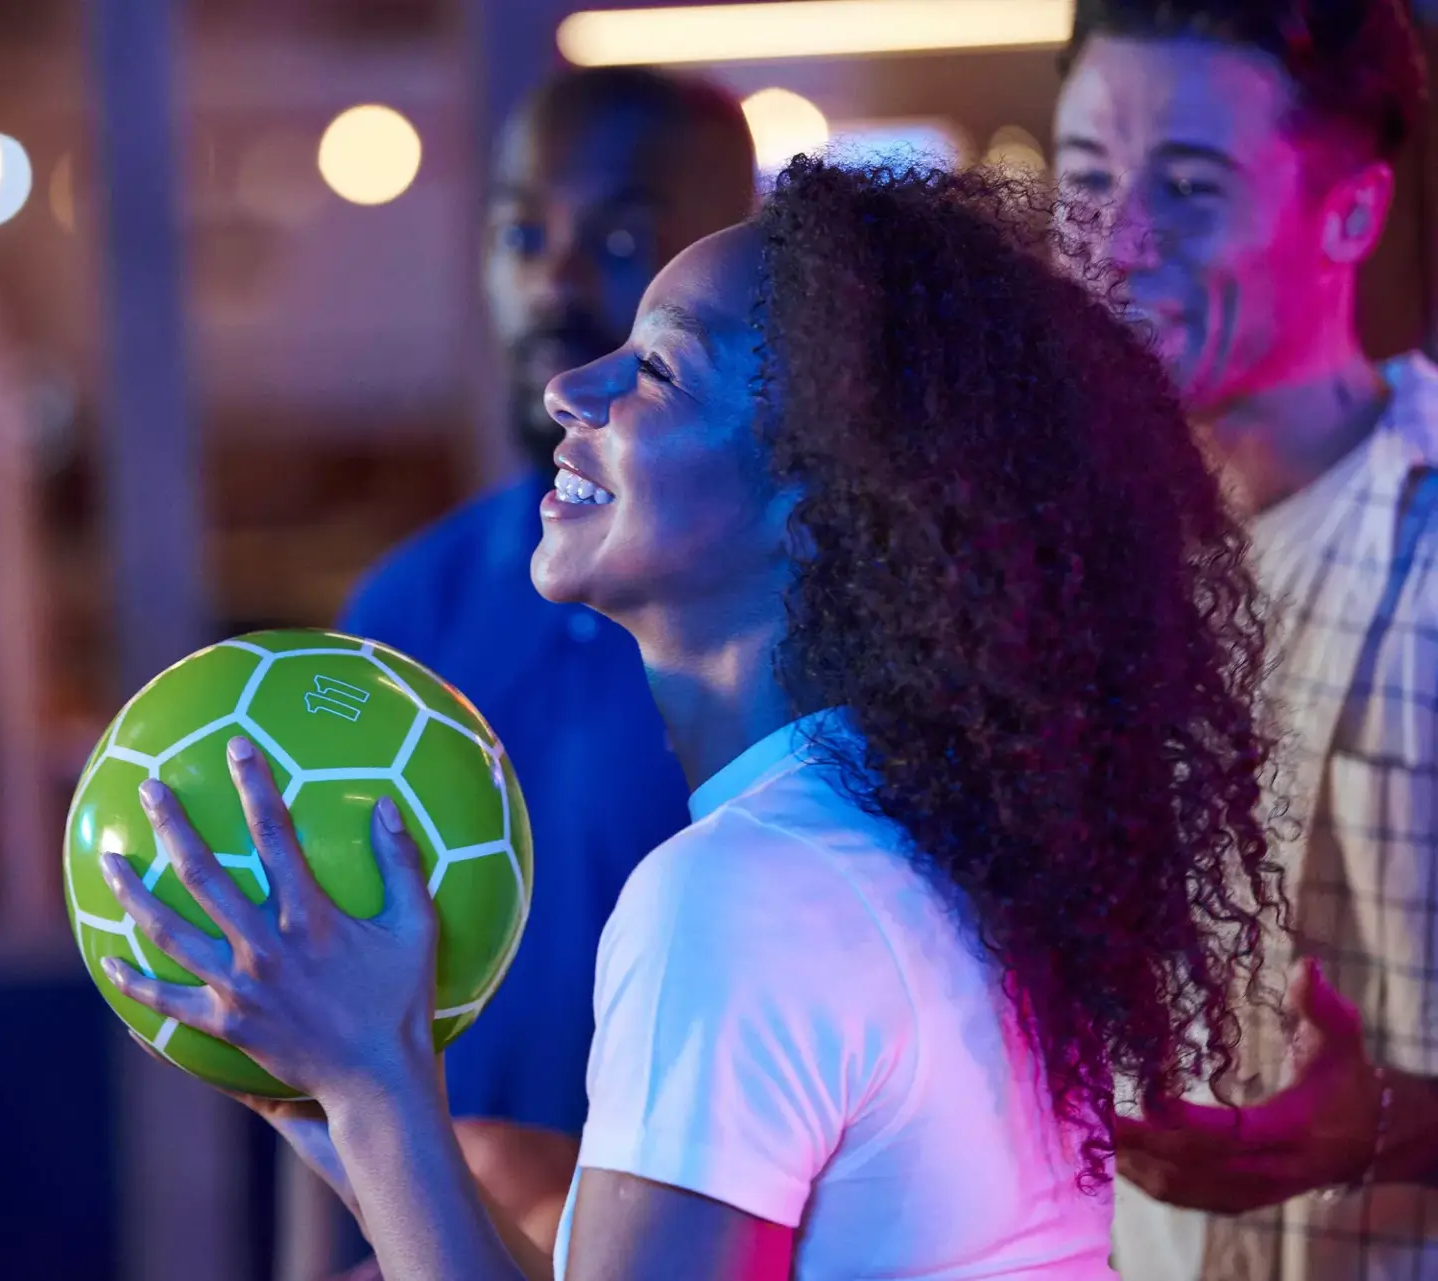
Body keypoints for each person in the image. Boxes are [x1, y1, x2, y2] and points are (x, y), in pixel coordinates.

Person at [98, 158, 1285, 1277]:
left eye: (656, 371)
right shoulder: (910, 845)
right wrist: (349, 1117)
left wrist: (372, 1080)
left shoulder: (744, 896)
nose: (574, 388)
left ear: (817, 514)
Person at [335, 64, 757, 1247]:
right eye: (522, 231)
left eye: (620, 235)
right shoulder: (407, 610)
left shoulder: (794, 618)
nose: (552, 285)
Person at [1053, 1, 1438, 1274]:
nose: (1118, 241)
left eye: (1191, 186)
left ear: (1352, 214)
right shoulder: (1051, 559)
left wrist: (1385, 1124)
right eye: (1087, 176)